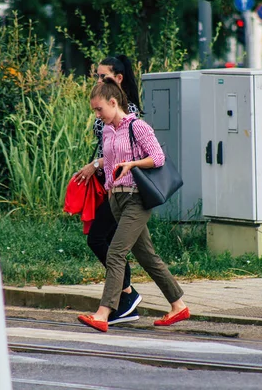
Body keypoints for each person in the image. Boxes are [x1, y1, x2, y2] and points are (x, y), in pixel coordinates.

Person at [77, 78, 190, 333]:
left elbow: (158, 157)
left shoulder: (137, 127)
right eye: (94, 110)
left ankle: (103, 314)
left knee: (116, 253)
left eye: (99, 109)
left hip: (136, 198)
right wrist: (102, 181)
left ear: (113, 102)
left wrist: (133, 164)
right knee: (147, 257)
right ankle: (178, 305)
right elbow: (108, 161)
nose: (97, 114)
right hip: (116, 198)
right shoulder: (107, 130)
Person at [73, 56, 142, 326]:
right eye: (97, 77)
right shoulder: (106, 106)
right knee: (138, 252)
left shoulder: (128, 110)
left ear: (119, 79)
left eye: (104, 77)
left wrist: (95, 165)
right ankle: (172, 302)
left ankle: (124, 296)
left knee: (101, 241)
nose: (99, 81)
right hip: (110, 186)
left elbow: (129, 152)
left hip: (125, 187)